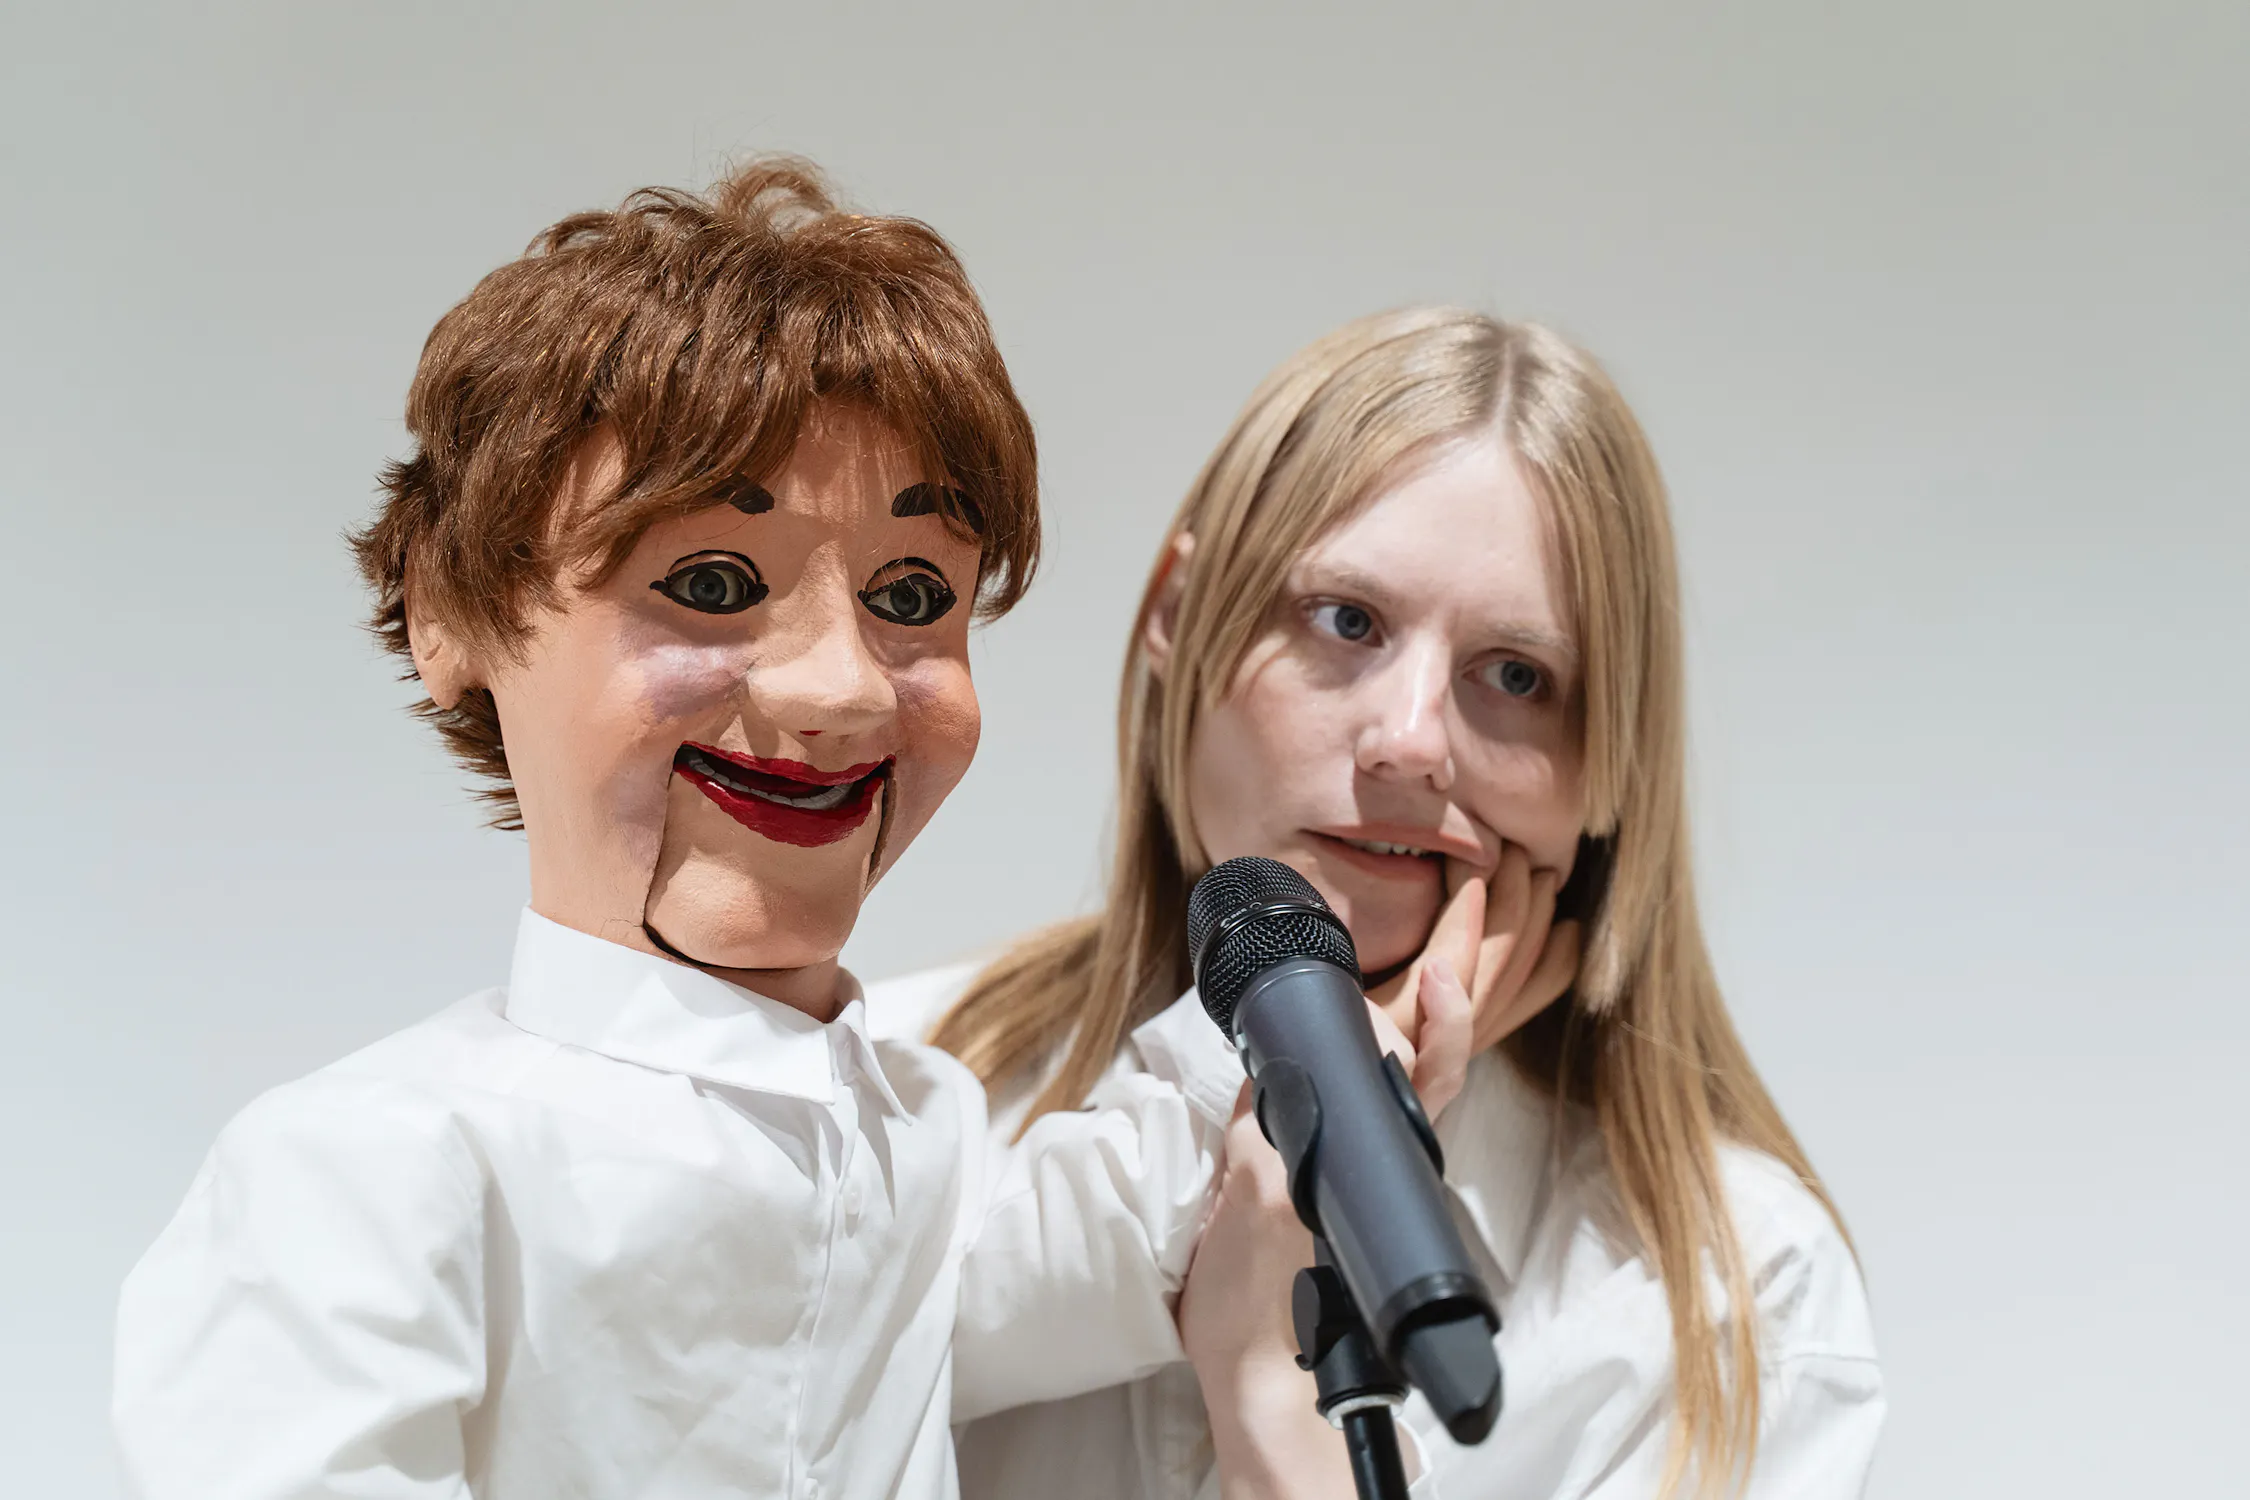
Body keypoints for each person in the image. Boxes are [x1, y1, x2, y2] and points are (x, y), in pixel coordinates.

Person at [112, 159, 1223, 1500]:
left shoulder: (918, 1131)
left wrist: (1365, 999)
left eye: (913, 593)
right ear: (448, 614)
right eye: (709, 583)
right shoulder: (377, 1171)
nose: (842, 689)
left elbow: (1114, 1223)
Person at [876, 307, 1884, 1498]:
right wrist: (1273, 1100)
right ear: (1174, 614)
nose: (1411, 744)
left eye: (1516, 677)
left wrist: (1277, 1415)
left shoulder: (1738, 1299)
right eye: (1346, 621)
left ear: (1609, 768)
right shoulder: (876, 1097)